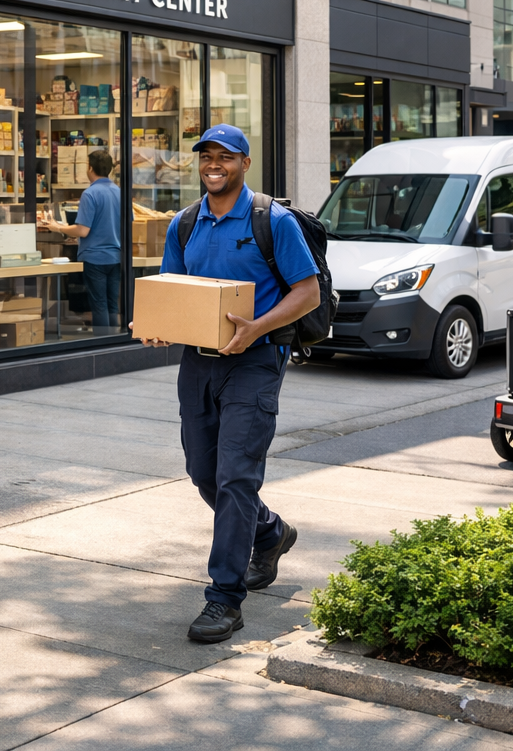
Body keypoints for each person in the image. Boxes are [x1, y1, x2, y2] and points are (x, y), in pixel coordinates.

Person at [135, 124, 320, 643]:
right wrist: (159, 327)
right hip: (198, 363)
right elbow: (175, 290)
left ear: (245, 163)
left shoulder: (272, 221)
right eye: (207, 156)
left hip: (256, 361)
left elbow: (307, 292)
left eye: (226, 157)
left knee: (236, 476)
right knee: (204, 474)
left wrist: (256, 328)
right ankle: (270, 531)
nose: (214, 165)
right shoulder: (185, 223)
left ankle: (224, 599)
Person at [39, 146, 121, 333]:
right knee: (112, 303)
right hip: (116, 256)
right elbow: (126, 224)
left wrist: (58, 227)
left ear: (90, 168)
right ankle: (115, 341)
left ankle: (102, 342)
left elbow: (82, 230)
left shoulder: (90, 194)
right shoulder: (119, 192)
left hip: (95, 258)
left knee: (99, 304)